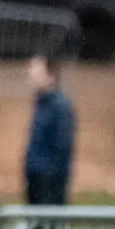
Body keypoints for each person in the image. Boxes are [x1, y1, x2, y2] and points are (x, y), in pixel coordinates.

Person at [24, 53, 76, 208]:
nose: (30, 74)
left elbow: (63, 146)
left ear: (50, 77)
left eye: (36, 71)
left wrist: (51, 180)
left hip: (49, 184)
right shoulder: (40, 104)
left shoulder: (60, 107)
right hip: (35, 179)